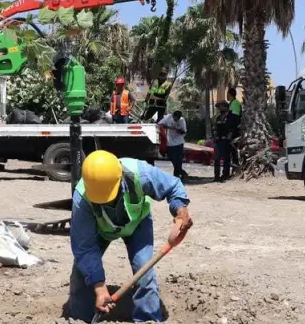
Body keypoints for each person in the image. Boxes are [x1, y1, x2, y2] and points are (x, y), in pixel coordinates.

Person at [67, 150, 193, 322]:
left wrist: (180, 210)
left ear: (120, 178)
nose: (106, 202)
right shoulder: (82, 198)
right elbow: (84, 247)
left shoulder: (139, 173)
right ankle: (81, 318)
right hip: (101, 229)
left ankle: (147, 318)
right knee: (82, 274)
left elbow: (172, 186)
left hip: (137, 223)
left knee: (144, 271)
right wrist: (100, 288)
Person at [158, 110, 188, 180]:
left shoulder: (182, 120)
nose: (176, 120)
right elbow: (160, 124)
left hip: (179, 142)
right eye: (175, 118)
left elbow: (183, 131)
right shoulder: (168, 117)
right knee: (172, 159)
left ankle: (177, 175)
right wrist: (171, 128)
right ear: (173, 116)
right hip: (170, 143)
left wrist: (177, 130)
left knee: (179, 160)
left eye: (178, 119)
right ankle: (181, 172)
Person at [213, 101, 234, 181]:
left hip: (226, 140)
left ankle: (225, 175)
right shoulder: (218, 118)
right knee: (217, 159)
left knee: (226, 159)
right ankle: (216, 176)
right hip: (218, 140)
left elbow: (233, 127)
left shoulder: (230, 117)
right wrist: (214, 137)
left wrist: (230, 134)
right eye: (218, 107)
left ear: (226, 107)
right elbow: (215, 128)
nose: (219, 109)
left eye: (221, 106)